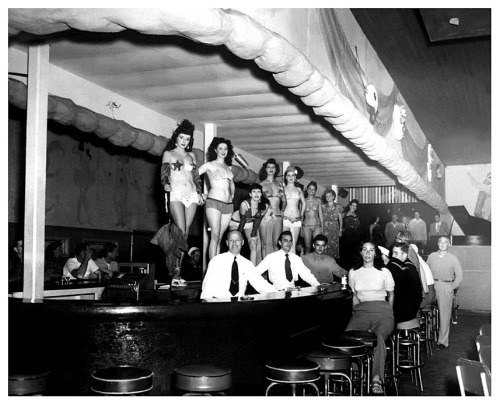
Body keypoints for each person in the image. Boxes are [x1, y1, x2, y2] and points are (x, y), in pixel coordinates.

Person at [346, 241, 395, 395]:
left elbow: (391, 294)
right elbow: (353, 294)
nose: (367, 253)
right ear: (361, 253)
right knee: (349, 336)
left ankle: (376, 378)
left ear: (375, 253)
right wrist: (356, 312)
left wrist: (389, 312)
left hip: (383, 311)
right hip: (361, 311)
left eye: (371, 250)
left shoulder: (384, 272)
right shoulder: (353, 272)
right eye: (365, 250)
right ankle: (353, 374)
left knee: (379, 337)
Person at [200, 230, 277, 299]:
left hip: (240, 305)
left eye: (237, 240)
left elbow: (260, 284)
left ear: (242, 242)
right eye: (231, 240)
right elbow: (207, 287)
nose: (234, 243)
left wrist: (280, 292)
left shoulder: (247, 264)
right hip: (220, 304)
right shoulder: (216, 261)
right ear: (227, 243)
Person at [161, 119, 204, 238]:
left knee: (186, 233)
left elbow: (196, 176)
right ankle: (171, 254)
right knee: (181, 230)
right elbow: (164, 172)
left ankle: (179, 257)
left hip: (192, 194)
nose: (184, 141)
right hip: (176, 193)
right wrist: (165, 183)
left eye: (187, 139)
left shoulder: (192, 155)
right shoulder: (169, 154)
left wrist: (199, 193)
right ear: (176, 137)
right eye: (181, 137)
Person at [199, 137, 235, 260]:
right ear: (215, 150)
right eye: (220, 148)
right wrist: (199, 193)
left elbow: (231, 184)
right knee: (214, 235)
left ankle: (216, 267)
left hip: (228, 205)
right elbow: (193, 176)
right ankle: (211, 269)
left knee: (219, 238)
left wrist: (233, 195)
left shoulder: (228, 167)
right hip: (214, 202)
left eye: (225, 148)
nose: (223, 151)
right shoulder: (209, 165)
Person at [426, 236, 463, 350]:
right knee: (426, 312)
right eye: (440, 242)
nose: (442, 244)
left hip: (446, 287)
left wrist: (451, 287)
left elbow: (459, 276)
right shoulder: (431, 256)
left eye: (445, 242)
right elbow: (426, 272)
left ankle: (443, 341)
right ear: (438, 243)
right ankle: (428, 337)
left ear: (449, 244)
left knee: (444, 315)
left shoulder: (453, 258)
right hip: (432, 286)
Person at [255, 231, 320, 290]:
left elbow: (307, 275)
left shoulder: (296, 258)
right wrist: (268, 288)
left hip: (293, 293)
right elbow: (255, 273)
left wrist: (318, 286)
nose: (288, 243)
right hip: (276, 293)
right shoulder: (271, 257)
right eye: (285, 240)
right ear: (280, 242)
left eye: (290, 241)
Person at [230, 183, 269, 265]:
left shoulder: (264, 205)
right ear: (250, 194)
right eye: (254, 192)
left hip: (249, 224)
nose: (256, 194)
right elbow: (242, 222)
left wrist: (253, 235)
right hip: (237, 223)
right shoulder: (244, 204)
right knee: (236, 243)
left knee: (253, 244)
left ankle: (252, 270)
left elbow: (257, 221)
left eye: (258, 192)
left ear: (261, 194)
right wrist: (239, 235)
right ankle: (233, 266)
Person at [395, 230, 435, 308]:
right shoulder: (410, 251)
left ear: (401, 240)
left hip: (418, 295)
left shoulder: (408, 253)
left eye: (397, 238)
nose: (395, 240)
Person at [387, 242, 423, 324]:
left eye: (396, 253)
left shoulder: (405, 269)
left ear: (404, 255)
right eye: (393, 253)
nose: (393, 256)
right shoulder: (407, 266)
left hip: (406, 312)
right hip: (410, 309)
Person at [259, 158, 286, 258]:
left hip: (278, 215)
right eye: (268, 167)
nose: (271, 169)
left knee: (276, 244)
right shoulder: (261, 185)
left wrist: (282, 210)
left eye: (273, 167)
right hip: (265, 216)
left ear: (276, 169)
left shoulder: (280, 185)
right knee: (264, 244)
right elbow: (257, 201)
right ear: (265, 169)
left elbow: (284, 201)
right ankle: (263, 271)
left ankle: (275, 269)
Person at [282, 166, 305, 254]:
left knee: (293, 243)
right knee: (284, 243)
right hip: (286, 218)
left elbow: (304, 203)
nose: (291, 177)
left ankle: (292, 265)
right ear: (286, 177)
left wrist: (301, 214)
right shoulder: (283, 189)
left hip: (296, 219)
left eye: (293, 175)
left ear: (295, 177)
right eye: (289, 175)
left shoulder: (298, 189)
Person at [302, 181, 323, 255]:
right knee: (307, 247)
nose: (311, 190)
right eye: (310, 189)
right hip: (306, 226)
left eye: (313, 189)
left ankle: (316, 265)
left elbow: (320, 215)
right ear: (307, 190)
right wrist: (301, 228)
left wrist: (322, 227)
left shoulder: (318, 200)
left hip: (317, 226)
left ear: (315, 191)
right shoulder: (303, 201)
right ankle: (306, 265)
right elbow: (301, 216)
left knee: (317, 248)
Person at [321, 188, 343, 259]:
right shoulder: (323, 207)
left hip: (334, 229)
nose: (328, 197)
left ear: (333, 197)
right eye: (326, 196)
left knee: (334, 246)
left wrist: (340, 230)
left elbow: (340, 219)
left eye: (330, 196)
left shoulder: (338, 206)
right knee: (325, 245)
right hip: (325, 229)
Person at [340, 199, 361, 269]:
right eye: (353, 205)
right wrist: (342, 230)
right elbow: (339, 224)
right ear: (349, 206)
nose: (354, 207)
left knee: (353, 252)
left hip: (354, 236)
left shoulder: (357, 215)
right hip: (346, 236)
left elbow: (358, 227)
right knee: (345, 252)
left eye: (356, 206)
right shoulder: (344, 214)